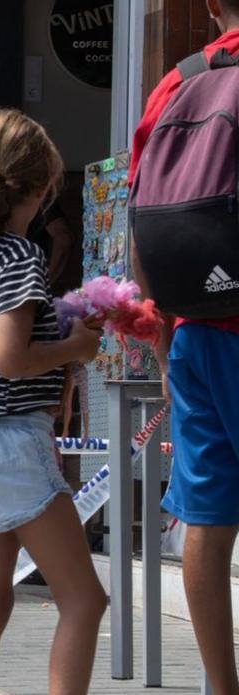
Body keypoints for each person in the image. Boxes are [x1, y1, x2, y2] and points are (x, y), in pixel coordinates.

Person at [0, 108, 105, 694]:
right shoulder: (19, 258)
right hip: (10, 441)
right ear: (41, 187)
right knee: (84, 600)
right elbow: (9, 359)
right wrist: (74, 347)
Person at [129, 2, 239, 692]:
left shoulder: (175, 82)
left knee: (206, 514)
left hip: (195, 331)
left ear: (209, 6)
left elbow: (142, 223)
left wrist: (168, 345)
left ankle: (221, 685)